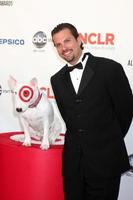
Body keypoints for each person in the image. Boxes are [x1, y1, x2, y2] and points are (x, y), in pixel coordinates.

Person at [50, 23, 133, 200]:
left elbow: (125, 111)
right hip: (73, 165)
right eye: (58, 44)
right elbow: (69, 118)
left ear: (79, 39)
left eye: (67, 40)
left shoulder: (110, 69)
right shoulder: (56, 80)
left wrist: (106, 140)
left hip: (105, 161)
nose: (63, 47)